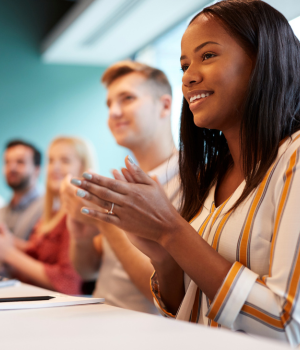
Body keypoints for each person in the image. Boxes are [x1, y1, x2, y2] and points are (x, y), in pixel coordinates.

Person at [70, 0, 300, 346]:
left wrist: (171, 232)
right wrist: (162, 256)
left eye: (207, 56)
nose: (189, 76)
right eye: (183, 65)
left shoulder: (293, 158)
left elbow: (288, 324)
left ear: (263, 60)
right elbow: (190, 314)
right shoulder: (210, 176)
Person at [64, 61, 180, 313]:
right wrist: (81, 235)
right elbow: (87, 270)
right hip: (97, 319)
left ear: (165, 105)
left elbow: (166, 298)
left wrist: (107, 224)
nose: (113, 112)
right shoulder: (121, 184)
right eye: (109, 104)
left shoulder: (192, 185)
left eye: (127, 98)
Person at [0, 137, 93, 295]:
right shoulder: (53, 215)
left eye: (65, 160)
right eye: (51, 161)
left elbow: (68, 282)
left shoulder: (79, 214)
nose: (54, 168)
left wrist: (9, 253)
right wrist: (7, 242)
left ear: (83, 167)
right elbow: (36, 254)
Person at [0, 140, 43, 240]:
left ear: (37, 170)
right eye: (7, 162)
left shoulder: (49, 209)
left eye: (20, 162)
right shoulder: (2, 212)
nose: (12, 167)